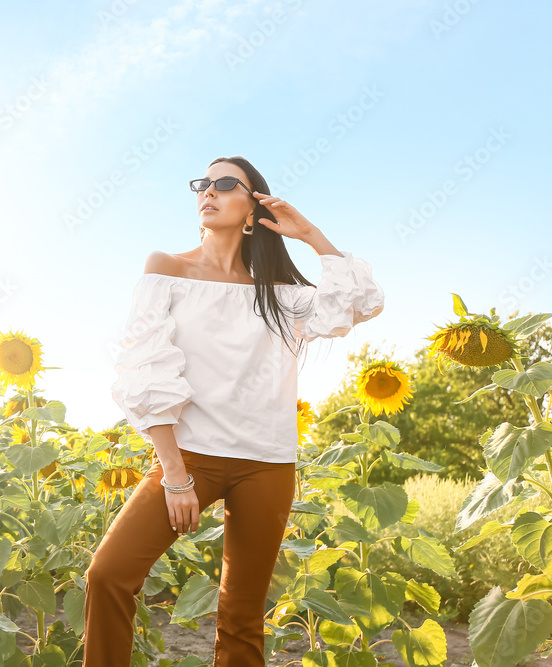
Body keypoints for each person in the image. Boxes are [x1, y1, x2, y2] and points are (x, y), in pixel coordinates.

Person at [83, 156, 386, 667]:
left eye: (226, 184)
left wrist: (309, 233)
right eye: (203, 183)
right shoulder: (167, 270)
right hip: (189, 460)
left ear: (252, 209)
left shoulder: (282, 297)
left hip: (267, 465)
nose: (209, 190)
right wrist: (174, 474)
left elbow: (362, 303)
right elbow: (145, 368)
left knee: (242, 613)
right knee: (108, 575)